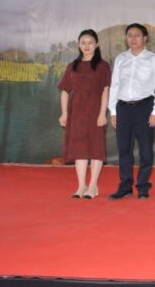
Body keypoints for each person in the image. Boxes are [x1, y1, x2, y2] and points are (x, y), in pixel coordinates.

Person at [107, 23, 155, 200]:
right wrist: (113, 111)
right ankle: (125, 187)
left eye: (137, 35)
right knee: (124, 150)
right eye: (130, 35)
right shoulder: (120, 59)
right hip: (123, 108)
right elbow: (114, 85)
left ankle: (143, 187)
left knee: (145, 151)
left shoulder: (153, 59)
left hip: (145, 108)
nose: (133, 39)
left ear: (145, 38)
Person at [58, 29, 111, 199]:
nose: (86, 46)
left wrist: (102, 113)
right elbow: (65, 91)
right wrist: (64, 113)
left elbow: (105, 91)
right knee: (79, 148)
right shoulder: (72, 66)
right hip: (76, 112)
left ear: (97, 44)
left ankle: (93, 185)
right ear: (79, 45)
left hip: (95, 110)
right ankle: (81, 185)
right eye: (83, 43)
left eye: (90, 42)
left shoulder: (103, 66)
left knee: (95, 147)